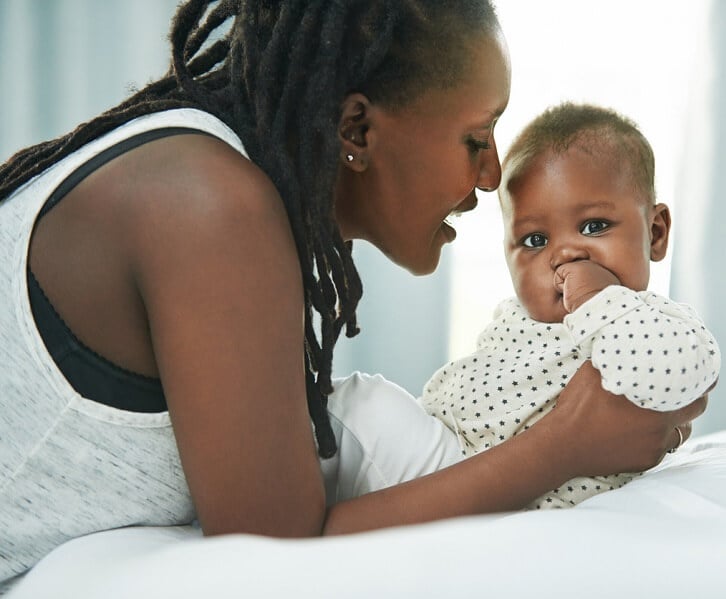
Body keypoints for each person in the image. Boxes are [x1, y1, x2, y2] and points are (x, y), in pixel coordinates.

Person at [0, 1, 708, 593]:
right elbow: (277, 548)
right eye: (476, 136)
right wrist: (563, 445)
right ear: (357, 130)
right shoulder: (209, 208)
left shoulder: (228, 187)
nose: (494, 177)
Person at [421, 102, 721, 508]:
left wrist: (598, 301)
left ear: (655, 233)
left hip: (540, 508)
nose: (564, 254)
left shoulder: (651, 320)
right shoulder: (514, 320)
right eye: (535, 241)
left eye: (594, 226)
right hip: (445, 465)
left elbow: (680, 372)